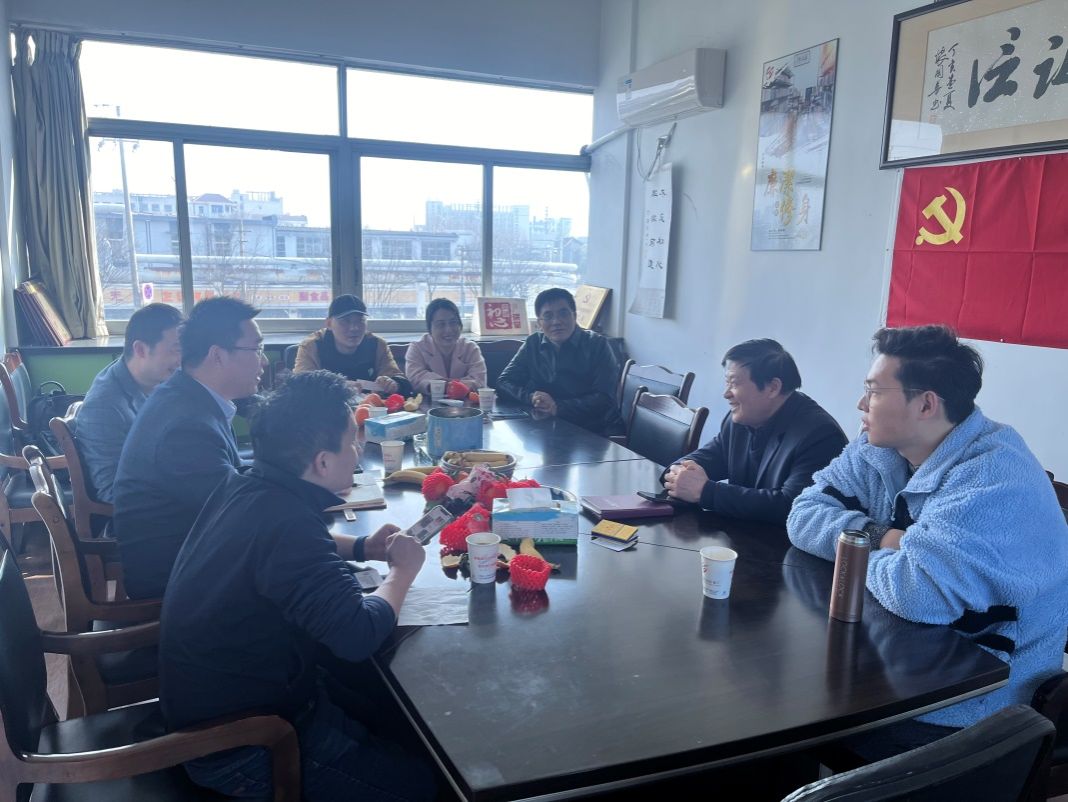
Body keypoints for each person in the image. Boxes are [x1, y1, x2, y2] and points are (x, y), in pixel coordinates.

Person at [788, 325, 1068, 757]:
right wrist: (884, 537)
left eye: (873, 392)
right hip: (895, 662)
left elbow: (916, 591)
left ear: (925, 404)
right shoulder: (878, 447)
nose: (861, 404)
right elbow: (803, 514)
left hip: (977, 709)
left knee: (793, 724)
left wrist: (857, 549)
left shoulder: (994, 476)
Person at [160, 370, 434, 801]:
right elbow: (357, 634)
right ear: (322, 462)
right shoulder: (287, 524)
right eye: (352, 443)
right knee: (426, 788)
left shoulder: (247, 483)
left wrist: (362, 546)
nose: (357, 452)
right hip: (246, 743)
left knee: (396, 721)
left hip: (236, 700)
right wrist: (403, 572)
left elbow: (278, 542)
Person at [112, 297, 266, 600]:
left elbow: (233, 486)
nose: (264, 361)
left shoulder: (191, 396)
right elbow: (240, 516)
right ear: (217, 355)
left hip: (197, 552)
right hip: (177, 577)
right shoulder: (185, 426)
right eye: (256, 349)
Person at [662, 339, 846, 524]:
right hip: (739, 535)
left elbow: (792, 508)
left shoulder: (820, 435)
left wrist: (706, 492)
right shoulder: (740, 420)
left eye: (734, 384)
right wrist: (679, 475)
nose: (726, 394)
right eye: (727, 383)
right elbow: (700, 460)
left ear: (772, 387)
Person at [73, 303, 184, 502]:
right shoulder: (104, 407)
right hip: (145, 510)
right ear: (140, 349)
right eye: (176, 349)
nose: (181, 359)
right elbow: (112, 490)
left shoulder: (153, 379)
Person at [497, 287, 624, 435]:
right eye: (548, 316)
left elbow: (605, 398)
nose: (556, 322)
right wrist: (531, 397)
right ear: (539, 323)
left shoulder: (597, 345)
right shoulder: (533, 343)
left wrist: (558, 407)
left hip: (594, 429)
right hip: (544, 427)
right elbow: (503, 382)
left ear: (574, 315)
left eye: (563, 313)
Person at [294, 294, 399, 393]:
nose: (354, 328)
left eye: (360, 321)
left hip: (371, 405)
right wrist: (337, 386)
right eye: (345, 321)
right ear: (329, 324)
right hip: (327, 405)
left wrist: (393, 384)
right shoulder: (312, 346)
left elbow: (398, 378)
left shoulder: (377, 344)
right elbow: (300, 386)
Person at [404, 297, 487, 395]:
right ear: (430, 328)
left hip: (467, 402)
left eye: (453, 322)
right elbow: (415, 379)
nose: (448, 330)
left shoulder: (470, 348)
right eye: (441, 324)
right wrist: (454, 385)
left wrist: (443, 384)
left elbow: (479, 381)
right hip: (428, 402)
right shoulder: (417, 348)